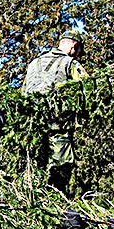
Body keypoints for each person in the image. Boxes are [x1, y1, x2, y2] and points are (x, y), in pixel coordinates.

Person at [24, 30, 89, 186]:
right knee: (61, 171)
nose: (77, 55)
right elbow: (89, 89)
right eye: (78, 51)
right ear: (74, 46)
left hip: (30, 127)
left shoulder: (34, 64)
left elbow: (23, 94)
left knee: (34, 171)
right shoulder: (70, 63)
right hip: (58, 127)